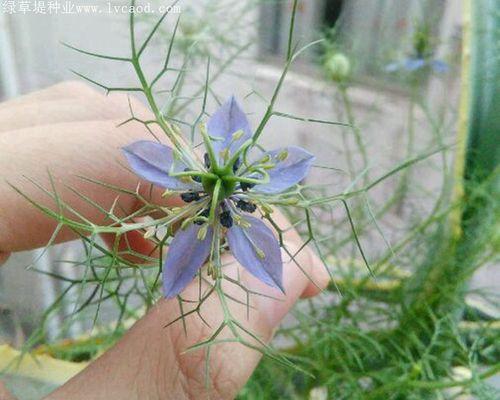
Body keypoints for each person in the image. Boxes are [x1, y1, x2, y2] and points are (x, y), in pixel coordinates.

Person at [0, 82, 329, 399]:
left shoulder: (236, 210)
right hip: (205, 226)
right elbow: (141, 158)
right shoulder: (193, 217)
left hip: (219, 223)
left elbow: (293, 162)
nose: (221, 180)